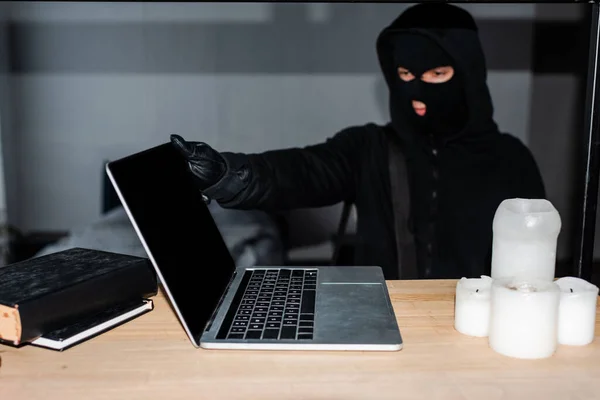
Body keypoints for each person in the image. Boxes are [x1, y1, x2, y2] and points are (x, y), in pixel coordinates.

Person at [169, 3, 546, 280]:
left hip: (481, 335)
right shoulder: (370, 149)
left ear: (467, 74)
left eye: (436, 73)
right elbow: (297, 172)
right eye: (403, 73)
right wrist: (226, 173)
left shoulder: (512, 161)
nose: (415, 90)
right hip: (387, 322)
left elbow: (535, 265)